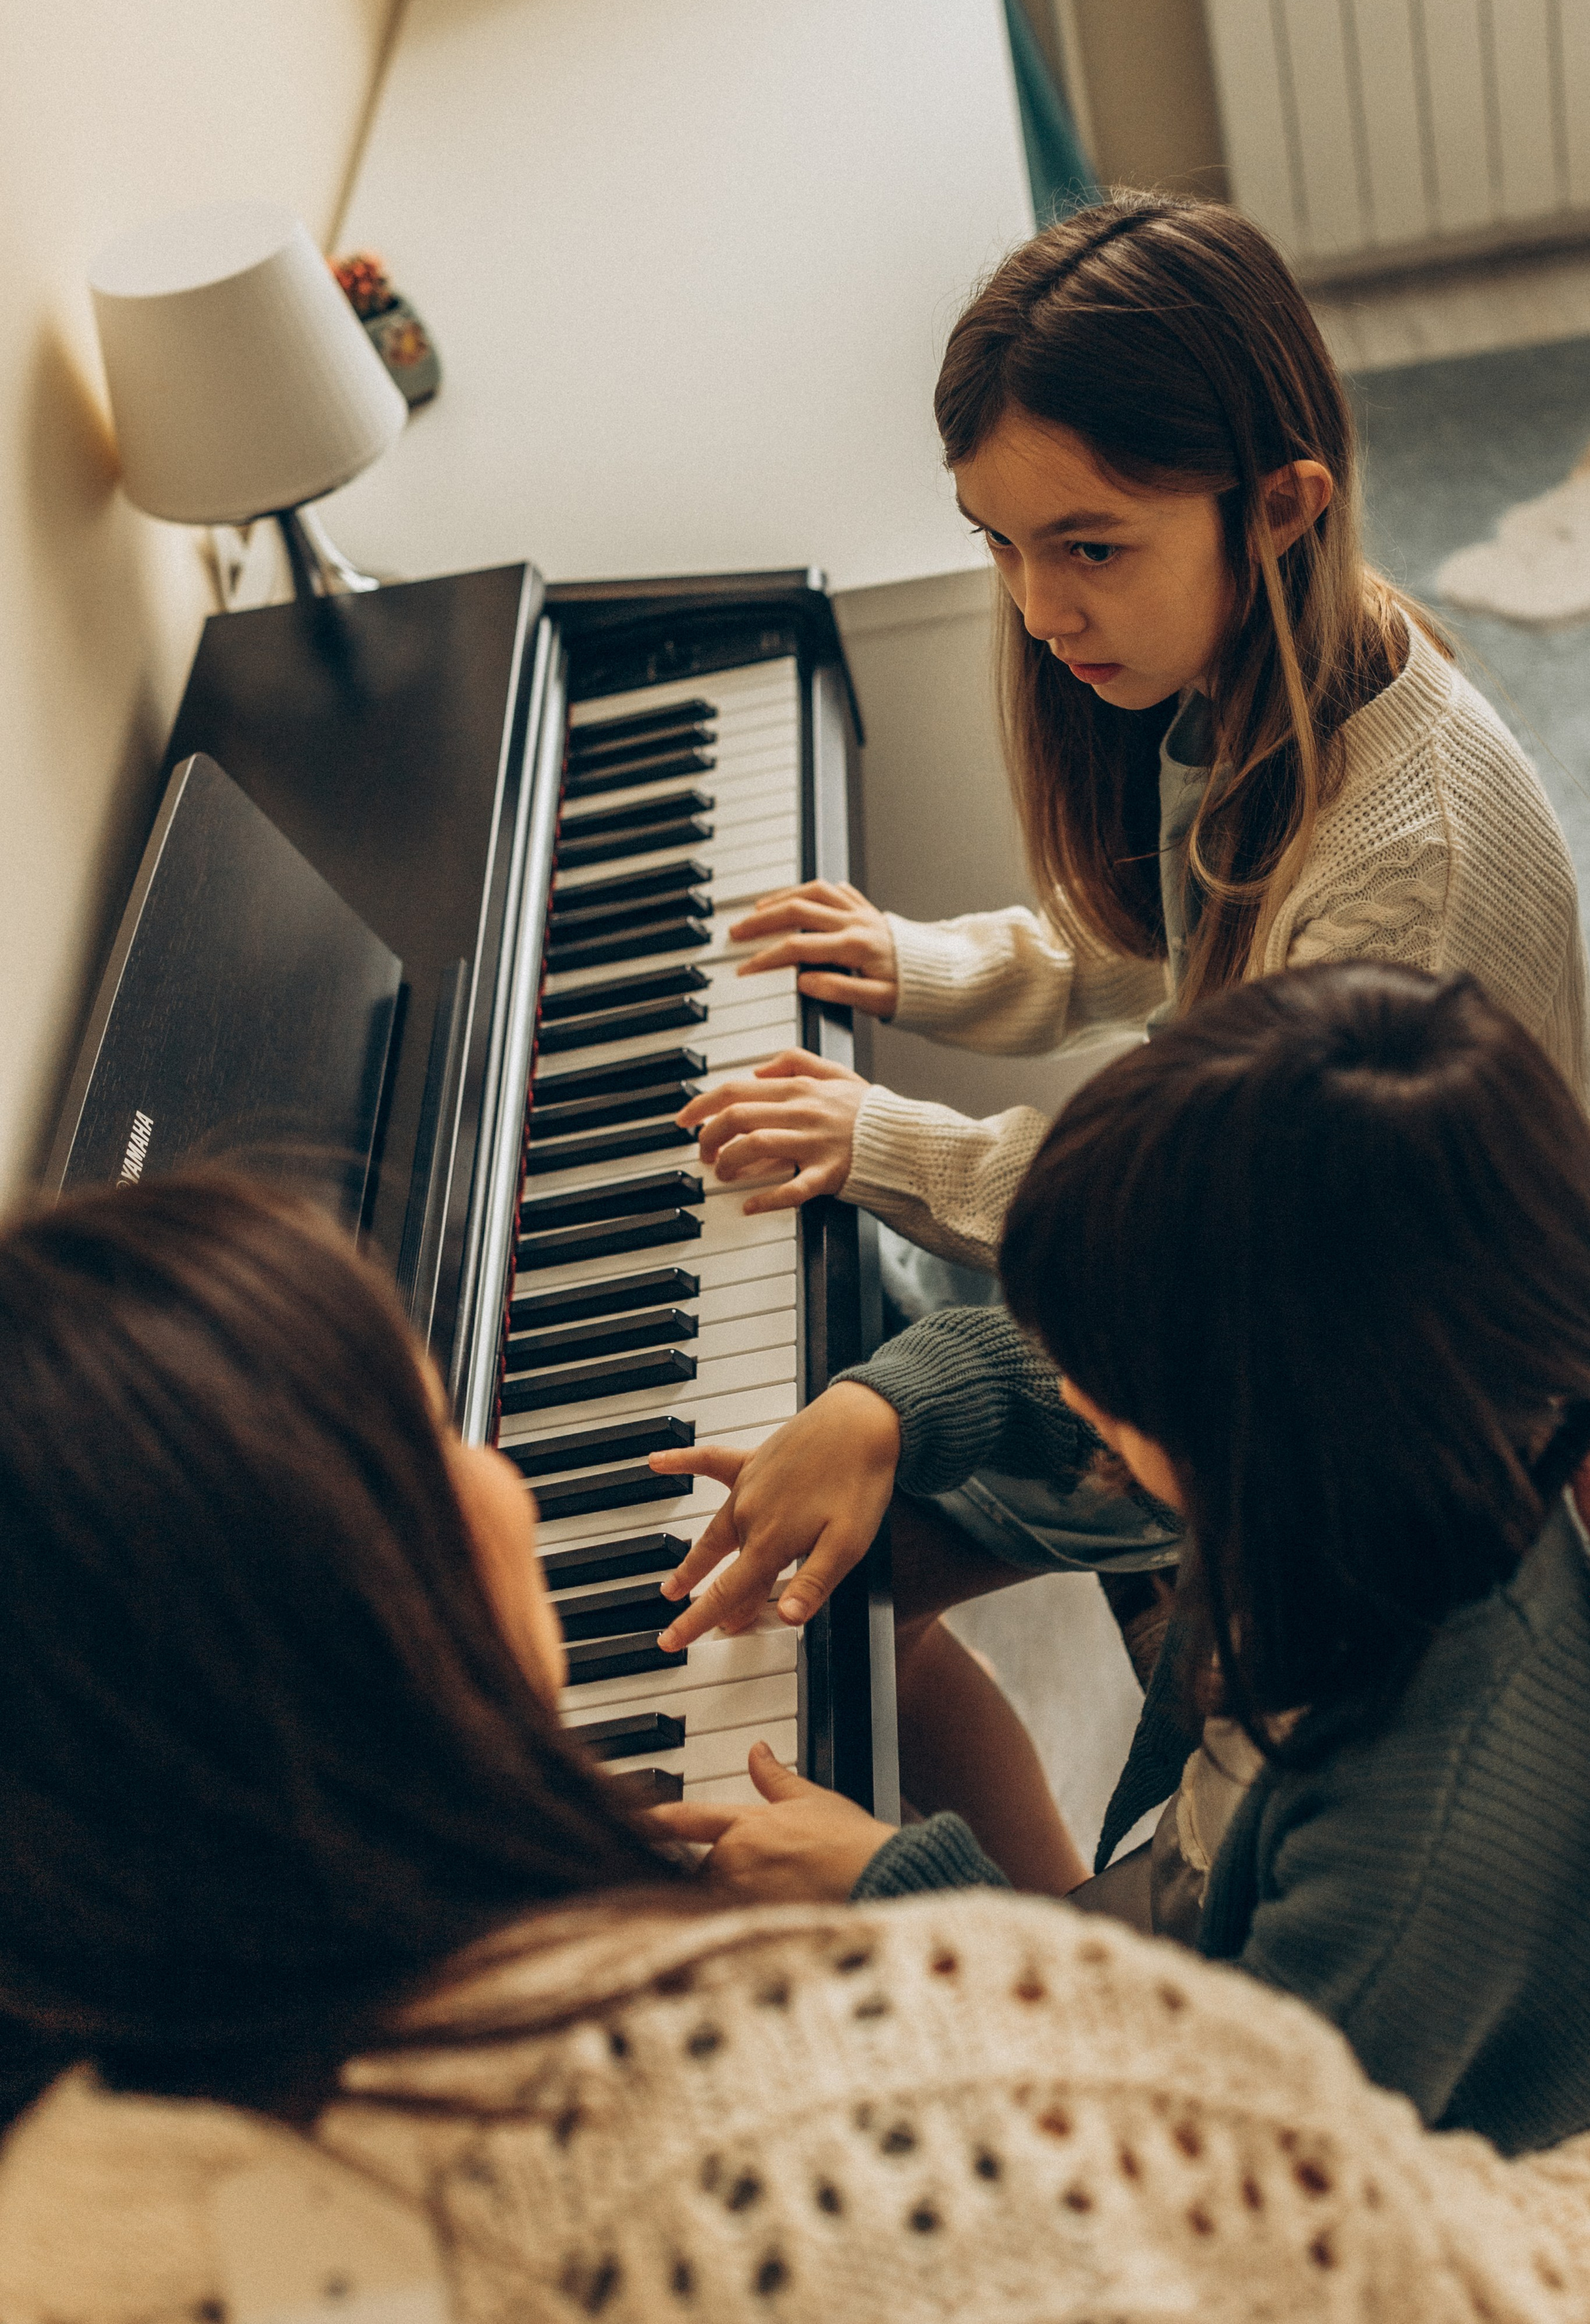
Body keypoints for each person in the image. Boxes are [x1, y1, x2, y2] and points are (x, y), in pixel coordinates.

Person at [9, 1185, 1590, 2317]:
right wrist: (947, 1931)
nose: (489, 1472)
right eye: (430, 1438)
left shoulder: (68, 2207)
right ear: (332, 1630)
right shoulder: (857, 2096)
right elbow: (1373, 2224)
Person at [658, 193, 1590, 1878]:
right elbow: (1160, 938)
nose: (1036, 609)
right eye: (998, 546)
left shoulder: (1408, 880)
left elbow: (1209, 1252)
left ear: (1283, 504)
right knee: (839, 1585)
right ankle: (1047, 1921)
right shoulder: (1258, 680)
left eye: (1089, 546)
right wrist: (921, 965)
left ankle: (1056, 1953)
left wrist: (886, 1149)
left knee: (1157, 1832)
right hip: (1251, 1314)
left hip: (1356, 1398)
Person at [651, 963, 1590, 2158]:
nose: (1080, 1384)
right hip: (1196, 1899)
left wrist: (909, 1897)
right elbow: (1096, 1366)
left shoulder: (1427, 1850)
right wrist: (887, 1406)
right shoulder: (1409, 1430)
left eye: (1119, 1381)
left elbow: (1213, 2135)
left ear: (1253, 1433)